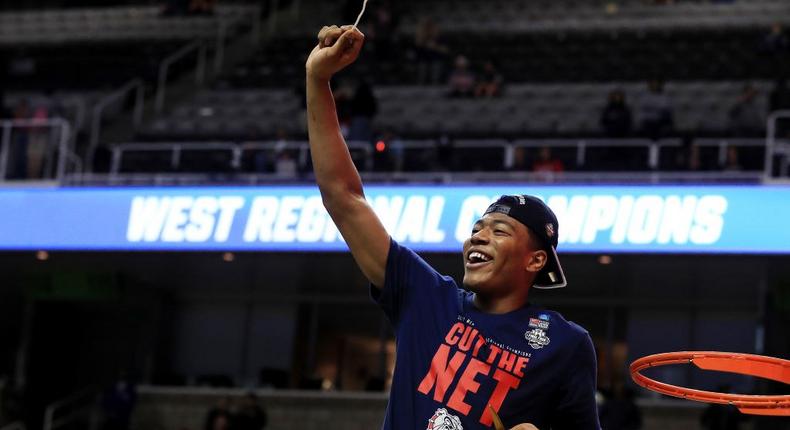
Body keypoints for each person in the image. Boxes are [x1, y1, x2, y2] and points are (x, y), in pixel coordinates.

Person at [305, 24, 600, 430]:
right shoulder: (425, 296)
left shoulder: (566, 344)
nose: (478, 235)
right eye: (478, 228)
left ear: (535, 260)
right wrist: (318, 80)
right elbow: (343, 196)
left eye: (500, 231)